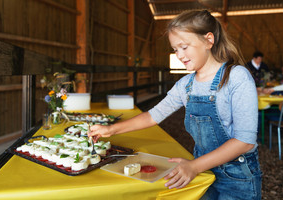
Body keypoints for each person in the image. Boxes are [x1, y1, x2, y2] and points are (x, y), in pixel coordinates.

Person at [89, 10, 262, 199]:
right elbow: (152, 115)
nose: (179, 55)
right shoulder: (185, 85)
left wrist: (194, 166)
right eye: (175, 49)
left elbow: (245, 141)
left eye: (184, 47)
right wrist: (111, 130)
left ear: (208, 40)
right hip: (203, 170)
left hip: (237, 176)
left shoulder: (236, 77)